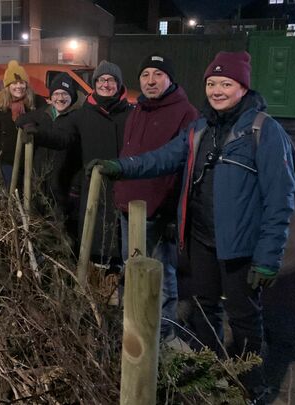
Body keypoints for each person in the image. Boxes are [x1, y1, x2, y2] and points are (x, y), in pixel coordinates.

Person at [88, 51, 295, 403]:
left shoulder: (264, 131)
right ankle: (212, 369)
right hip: (201, 240)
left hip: (242, 247)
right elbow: (164, 157)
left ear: (242, 87)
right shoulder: (199, 128)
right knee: (204, 309)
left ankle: (250, 383)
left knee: (244, 318)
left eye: (226, 84)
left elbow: (280, 199)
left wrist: (268, 257)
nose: (217, 90)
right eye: (212, 83)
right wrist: (122, 167)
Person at [113, 53, 198, 340]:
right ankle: (134, 321)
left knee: (161, 274)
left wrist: (175, 211)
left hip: (159, 210)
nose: (150, 81)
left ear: (170, 78)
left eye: (158, 74)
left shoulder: (186, 113)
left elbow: (184, 165)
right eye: (145, 74)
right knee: (132, 267)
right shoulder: (139, 109)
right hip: (129, 206)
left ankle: (163, 332)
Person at [27, 60, 133, 267]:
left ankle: (119, 284)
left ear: (119, 84)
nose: (105, 84)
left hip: (123, 187)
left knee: (121, 243)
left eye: (111, 80)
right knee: (93, 240)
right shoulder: (83, 114)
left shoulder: (130, 114)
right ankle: (95, 285)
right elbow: (63, 138)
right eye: (101, 80)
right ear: (94, 84)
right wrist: (38, 134)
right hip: (93, 187)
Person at [15, 72, 84, 241]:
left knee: (60, 228)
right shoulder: (45, 113)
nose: (60, 98)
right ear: (51, 97)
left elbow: (63, 139)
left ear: (72, 97)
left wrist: (38, 133)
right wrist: (28, 124)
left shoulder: (75, 118)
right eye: (56, 94)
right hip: (39, 181)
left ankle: (63, 260)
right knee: (37, 225)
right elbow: (21, 119)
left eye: (65, 94)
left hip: (62, 185)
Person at [0, 60, 46, 189]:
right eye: (14, 83)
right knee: (13, 192)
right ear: (8, 86)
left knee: (33, 193)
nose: (18, 86)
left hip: (33, 159)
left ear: (26, 84)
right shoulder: (1, 107)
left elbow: (47, 122)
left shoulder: (37, 101)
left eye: (21, 82)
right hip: (9, 160)